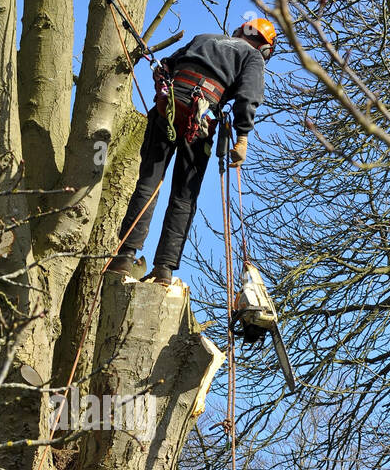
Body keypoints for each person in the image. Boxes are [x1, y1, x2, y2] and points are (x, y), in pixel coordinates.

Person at [108, 18, 276, 285]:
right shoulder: (252, 56)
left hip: (170, 104)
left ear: (237, 32)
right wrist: (242, 138)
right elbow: (248, 96)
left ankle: (124, 257)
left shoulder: (205, 37)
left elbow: (166, 65)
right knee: (184, 196)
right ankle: (164, 268)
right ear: (265, 48)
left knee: (149, 183)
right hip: (202, 116)